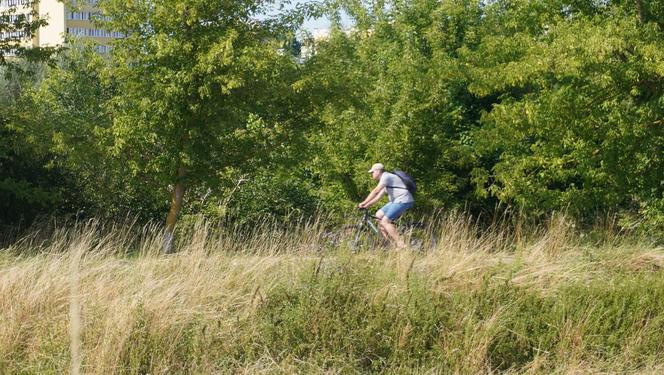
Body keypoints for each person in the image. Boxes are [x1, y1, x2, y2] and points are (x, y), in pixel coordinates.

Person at [358, 163, 415, 248]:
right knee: (378, 215)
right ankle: (389, 243)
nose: (371, 174)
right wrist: (367, 205)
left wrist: (364, 201)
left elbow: (376, 191)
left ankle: (401, 244)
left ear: (378, 171)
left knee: (385, 221)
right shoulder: (386, 180)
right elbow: (378, 197)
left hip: (403, 200)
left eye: (372, 172)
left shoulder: (386, 176)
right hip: (395, 201)